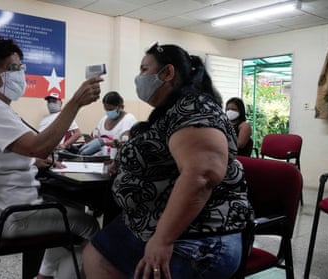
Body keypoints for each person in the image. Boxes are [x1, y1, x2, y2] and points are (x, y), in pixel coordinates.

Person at [82, 43, 254, 279]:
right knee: (98, 252)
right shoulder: (169, 111)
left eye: (144, 69)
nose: (139, 77)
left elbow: (203, 174)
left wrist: (163, 239)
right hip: (152, 224)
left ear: (168, 73)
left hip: (196, 235)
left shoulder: (195, 107)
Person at [0, 33, 102, 279]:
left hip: (8, 208)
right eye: (11, 68)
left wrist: (32, 160)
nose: (19, 73)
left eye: (20, 67)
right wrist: (75, 103)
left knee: (71, 208)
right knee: (89, 226)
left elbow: (18, 153)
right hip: (11, 216)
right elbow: (38, 146)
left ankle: (45, 275)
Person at [78, 91, 137, 155]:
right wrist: (92, 141)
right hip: (102, 157)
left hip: (117, 158)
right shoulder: (104, 119)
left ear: (119, 106)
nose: (108, 112)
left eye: (111, 109)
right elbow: (97, 136)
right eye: (106, 110)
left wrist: (105, 142)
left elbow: (124, 143)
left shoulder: (129, 119)